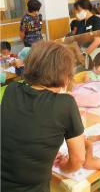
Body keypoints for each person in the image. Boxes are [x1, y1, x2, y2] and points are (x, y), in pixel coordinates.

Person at [0, 40, 85, 191]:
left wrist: (43, 153)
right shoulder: (65, 104)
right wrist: (65, 165)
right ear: (65, 76)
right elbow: (78, 159)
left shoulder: (11, 90)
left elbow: (21, 130)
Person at [73, 0, 100, 74]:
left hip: (97, 57)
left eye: (78, 10)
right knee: (75, 73)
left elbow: (97, 41)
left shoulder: (96, 20)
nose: (77, 13)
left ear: (85, 9)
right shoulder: (80, 23)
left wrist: (84, 54)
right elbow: (76, 41)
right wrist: (79, 55)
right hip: (84, 58)